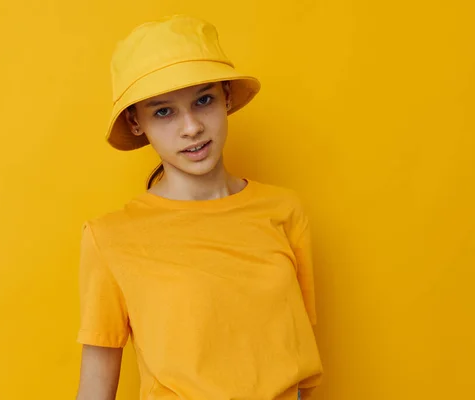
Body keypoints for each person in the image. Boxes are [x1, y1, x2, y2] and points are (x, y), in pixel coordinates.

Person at [76, 15, 323, 400]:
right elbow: (96, 385)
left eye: (203, 100)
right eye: (163, 111)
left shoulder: (284, 211)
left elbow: (301, 365)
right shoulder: (109, 238)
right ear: (135, 122)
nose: (191, 127)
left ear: (226, 97)